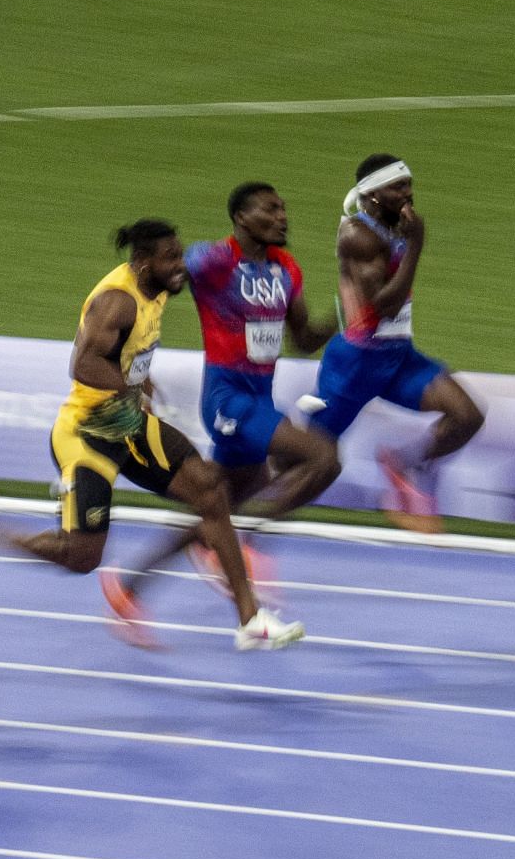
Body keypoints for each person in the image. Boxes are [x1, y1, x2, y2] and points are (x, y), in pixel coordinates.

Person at [0, 221, 305, 650]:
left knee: (211, 492)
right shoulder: (117, 301)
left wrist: (141, 382)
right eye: (170, 259)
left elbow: (126, 354)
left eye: (180, 255)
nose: (181, 267)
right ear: (142, 263)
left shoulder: (153, 290)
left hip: (129, 424)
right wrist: (131, 388)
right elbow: (82, 365)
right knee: (81, 558)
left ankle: (250, 622)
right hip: (87, 434)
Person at [101, 185, 338, 642]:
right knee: (322, 458)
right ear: (241, 219)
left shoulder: (287, 269)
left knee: (216, 508)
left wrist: (348, 315)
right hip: (228, 400)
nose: (283, 216)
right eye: (271, 209)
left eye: (284, 208)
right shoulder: (212, 261)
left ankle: (127, 588)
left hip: (259, 398)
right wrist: (127, 352)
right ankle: (247, 540)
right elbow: (154, 282)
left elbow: (303, 340)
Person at [298, 155, 484, 532]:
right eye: (398, 186)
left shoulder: (393, 225)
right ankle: (241, 530)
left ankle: (404, 468)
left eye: (409, 183)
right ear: (372, 193)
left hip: (398, 358)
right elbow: (382, 305)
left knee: (467, 416)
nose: (408, 192)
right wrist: (416, 245)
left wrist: (408, 239)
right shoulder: (358, 235)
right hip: (355, 366)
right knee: (308, 461)